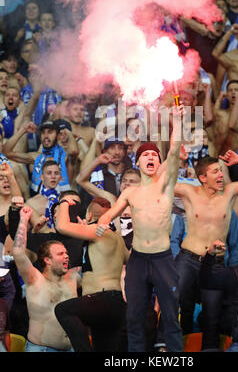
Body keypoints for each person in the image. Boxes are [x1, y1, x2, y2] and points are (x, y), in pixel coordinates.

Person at [96, 105, 185, 352]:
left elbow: (175, 151)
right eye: (146, 156)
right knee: (133, 317)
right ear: (137, 162)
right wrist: (102, 225)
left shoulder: (166, 185)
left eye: (155, 156)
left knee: (169, 317)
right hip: (137, 260)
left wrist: (176, 123)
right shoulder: (130, 191)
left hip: (163, 259)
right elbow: (109, 215)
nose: (151, 159)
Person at [172, 150, 238, 350]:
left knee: (212, 315)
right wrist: (175, 157)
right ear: (202, 178)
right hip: (188, 259)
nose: (220, 175)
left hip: (215, 263)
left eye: (221, 171)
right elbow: (162, 184)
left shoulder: (230, 192)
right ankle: (171, 349)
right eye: (215, 172)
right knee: (175, 303)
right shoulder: (190, 192)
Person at [54, 194, 129, 352]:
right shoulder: (118, 239)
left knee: (63, 310)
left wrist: (64, 202)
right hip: (116, 304)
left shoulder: (97, 232)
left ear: (89, 215)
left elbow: (61, 225)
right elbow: (127, 259)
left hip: (101, 300)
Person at [12, 205, 81, 352]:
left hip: (72, 348)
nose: (66, 256)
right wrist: (24, 220)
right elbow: (18, 251)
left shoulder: (73, 277)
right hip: (42, 349)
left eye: (66, 253)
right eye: (61, 254)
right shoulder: (35, 279)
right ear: (47, 260)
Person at [3, 120, 72, 194]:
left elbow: (74, 151)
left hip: (62, 201)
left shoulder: (66, 156)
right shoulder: (36, 157)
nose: (46, 136)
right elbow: (7, 152)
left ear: (58, 136)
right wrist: (23, 130)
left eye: (50, 132)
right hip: (37, 202)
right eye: (43, 133)